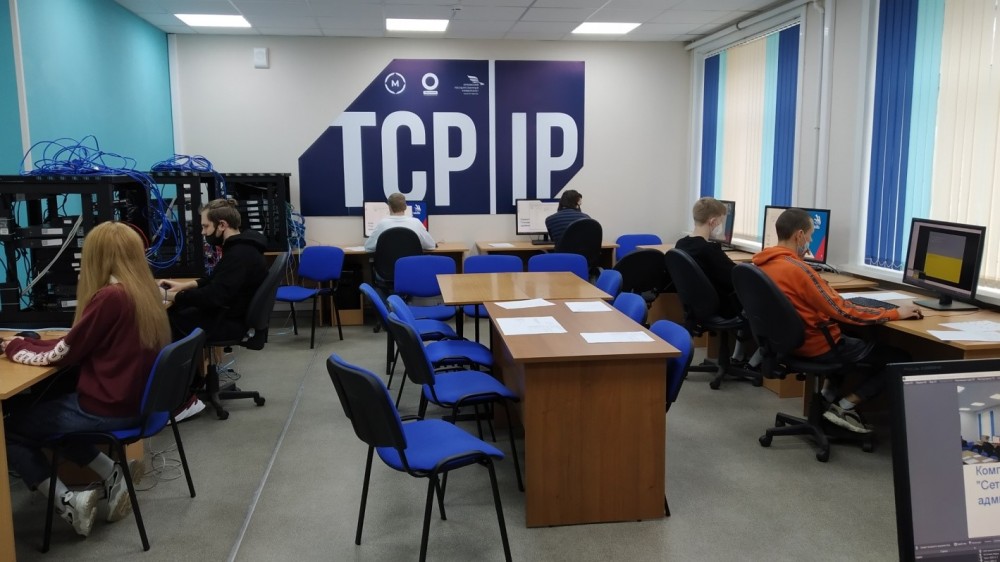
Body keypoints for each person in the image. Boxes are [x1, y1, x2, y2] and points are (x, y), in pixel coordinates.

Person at [1, 222, 172, 537]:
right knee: (49, 415)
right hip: (136, 404)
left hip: (108, 408)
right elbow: (75, 342)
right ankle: (112, 474)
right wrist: (26, 343)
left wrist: (14, 347)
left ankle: (68, 502)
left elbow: (63, 353)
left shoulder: (110, 297)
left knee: (10, 429)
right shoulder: (144, 290)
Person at [752, 207, 921, 433]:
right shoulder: (799, 270)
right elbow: (842, 310)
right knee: (900, 359)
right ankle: (844, 407)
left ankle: (827, 398)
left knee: (853, 336)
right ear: (799, 235)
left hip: (787, 343)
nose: (810, 241)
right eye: (810, 235)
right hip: (816, 346)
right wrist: (894, 313)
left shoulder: (762, 264)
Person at [161, 199, 268, 419]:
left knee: (168, 322)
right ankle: (193, 385)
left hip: (228, 322)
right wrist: (186, 286)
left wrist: (173, 297)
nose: (203, 232)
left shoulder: (238, 254)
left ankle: (182, 401)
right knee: (176, 314)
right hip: (230, 315)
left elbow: (214, 296)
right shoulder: (243, 247)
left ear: (222, 225)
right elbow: (217, 279)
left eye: (205, 226)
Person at [675, 197, 760, 367]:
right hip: (722, 308)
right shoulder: (709, 250)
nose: (722, 226)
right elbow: (734, 277)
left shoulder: (681, 244)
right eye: (721, 221)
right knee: (763, 300)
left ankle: (739, 355)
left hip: (698, 306)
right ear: (713, 222)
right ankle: (756, 361)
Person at [364, 193, 435, 252]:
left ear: (389, 207)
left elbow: (368, 247)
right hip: (410, 264)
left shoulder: (382, 224)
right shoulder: (416, 222)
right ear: (405, 207)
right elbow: (431, 246)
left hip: (388, 264)